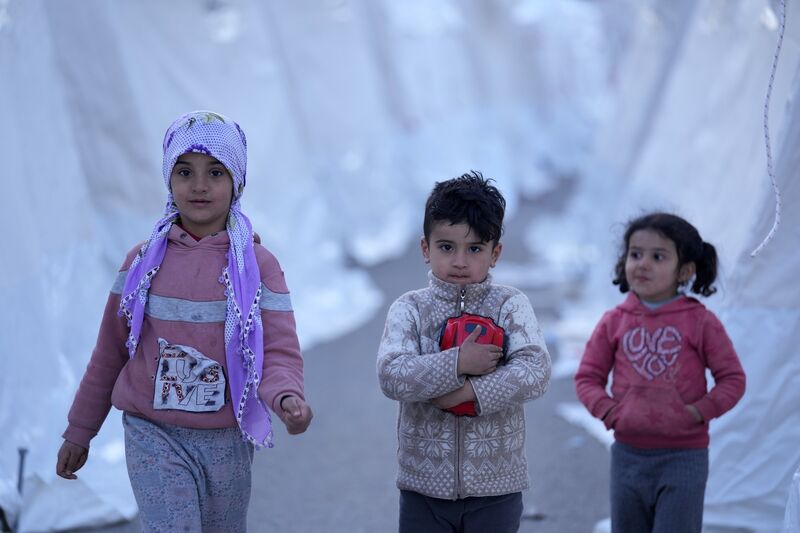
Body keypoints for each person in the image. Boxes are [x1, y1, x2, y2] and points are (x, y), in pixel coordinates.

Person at [56, 110, 313, 532]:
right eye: (184, 171)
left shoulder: (258, 267)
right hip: (151, 434)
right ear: (168, 179)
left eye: (215, 171)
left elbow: (279, 350)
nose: (199, 185)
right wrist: (79, 431)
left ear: (237, 182)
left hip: (226, 438)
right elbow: (109, 353)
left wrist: (285, 397)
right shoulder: (141, 264)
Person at [377, 171, 551, 533]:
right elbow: (392, 374)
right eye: (446, 247)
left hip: (497, 488)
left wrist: (469, 393)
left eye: (474, 249)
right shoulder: (409, 309)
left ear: (495, 253)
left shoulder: (510, 305)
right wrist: (456, 362)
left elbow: (535, 371)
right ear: (425, 249)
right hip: (423, 489)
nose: (459, 261)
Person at [574, 212, 746, 533]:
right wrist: (611, 413)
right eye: (635, 254)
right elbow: (587, 378)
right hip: (627, 455)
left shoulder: (701, 322)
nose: (643, 264)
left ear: (685, 271)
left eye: (658, 256)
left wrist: (698, 412)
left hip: (685, 458)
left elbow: (733, 379)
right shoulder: (614, 321)